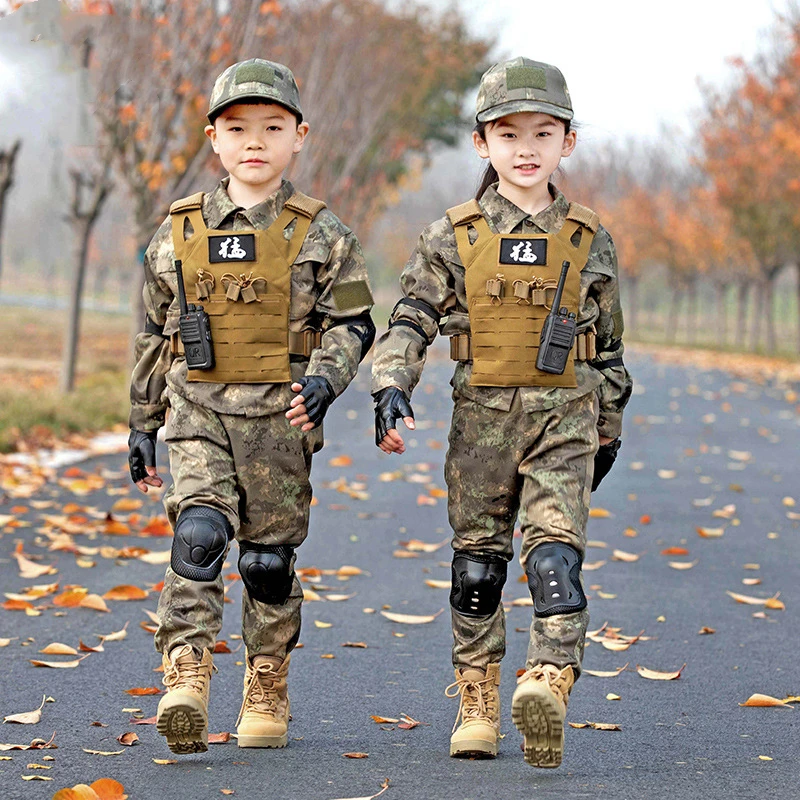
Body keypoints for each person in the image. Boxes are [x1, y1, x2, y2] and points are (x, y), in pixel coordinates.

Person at [371, 57, 632, 768]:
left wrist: (608, 430)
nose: (525, 147)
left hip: (565, 421)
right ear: (482, 142)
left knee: (555, 560)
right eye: (508, 132)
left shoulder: (589, 238)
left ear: (566, 143)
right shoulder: (452, 235)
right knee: (478, 572)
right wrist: (392, 382)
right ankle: (479, 699)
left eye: (542, 132)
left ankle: (548, 679)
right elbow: (410, 316)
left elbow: (609, 348)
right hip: (481, 422)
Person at [127, 58, 375, 755]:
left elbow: (355, 323)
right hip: (198, 408)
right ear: (213, 138)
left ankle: (266, 678)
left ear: (300, 136)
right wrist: (144, 421)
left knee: (267, 563)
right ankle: (187, 670)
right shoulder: (177, 233)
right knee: (199, 534)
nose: (254, 141)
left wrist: (326, 381)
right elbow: (154, 331)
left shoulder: (322, 233)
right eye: (238, 128)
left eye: (272, 127)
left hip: (280, 420)